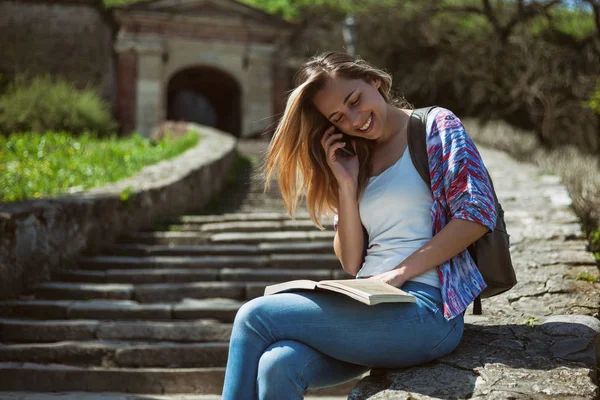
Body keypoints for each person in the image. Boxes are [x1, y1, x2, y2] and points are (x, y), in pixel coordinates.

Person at [221, 51, 497, 399]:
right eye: (338, 117)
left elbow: (477, 213)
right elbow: (352, 262)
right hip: (368, 307)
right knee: (278, 364)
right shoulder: (357, 156)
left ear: (376, 82)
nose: (354, 119)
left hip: (426, 309)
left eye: (355, 101)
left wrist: (399, 273)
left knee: (254, 316)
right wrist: (346, 185)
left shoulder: (435, 127)